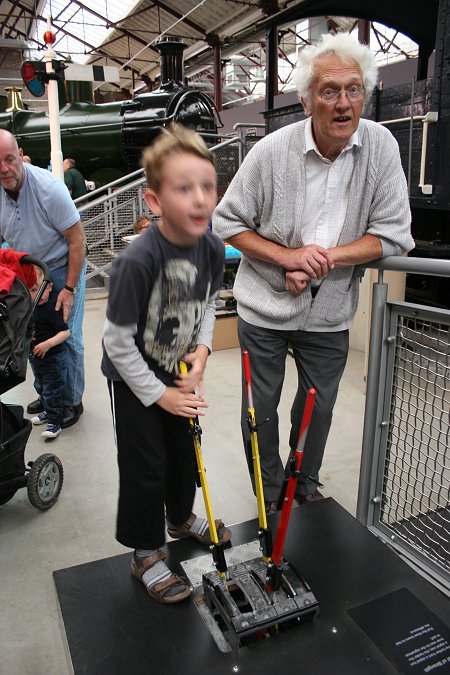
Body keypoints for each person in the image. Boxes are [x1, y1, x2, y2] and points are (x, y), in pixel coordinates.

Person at [213, 33, 415, 513]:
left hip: (329, 314)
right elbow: (226, 221)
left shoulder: (381, 147)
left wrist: (324, 257)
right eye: (329, 91)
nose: (343, 103)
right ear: (307, 101)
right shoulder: (271, 152)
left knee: (318, 409)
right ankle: (270, 489)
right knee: (260, 412)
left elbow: (394, 234)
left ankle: (303, 486)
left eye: (354, 90)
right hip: (263, 311)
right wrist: (286, 258)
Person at [101, 124, 230, 604]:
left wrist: (202, 352)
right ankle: (145, 553)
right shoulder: (137, 260)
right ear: (153, 202)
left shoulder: (213, 248)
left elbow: (208, 303)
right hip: (134, 375)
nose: (199, 199)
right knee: (145, 464)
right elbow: (116, 341)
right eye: (183, 188)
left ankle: (179, 518)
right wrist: (161, 395)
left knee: (182, 455)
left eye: (207, 186)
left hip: (177, 369)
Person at [0, 129, 86, 428]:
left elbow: (77, 241)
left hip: (63, 264)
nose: (4, 169)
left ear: (20, 154)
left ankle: (71, 401)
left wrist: (69, 289)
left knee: (67, 335)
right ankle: (50, 395)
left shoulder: (49, 188)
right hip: (26, 268)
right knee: (31, 334)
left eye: (10, 159)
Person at [28, 266, 70, 439]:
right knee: (40, 386)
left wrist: (47, 344)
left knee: (52, 390)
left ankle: (55, 422)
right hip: (36, 358)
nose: (36, 294)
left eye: (39, 289)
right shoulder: (30, 307)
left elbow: (65, 333)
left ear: (50, 287)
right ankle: (47, 410)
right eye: (31, 289)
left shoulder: (53, 307)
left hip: (53, 358)